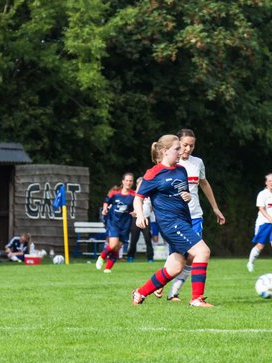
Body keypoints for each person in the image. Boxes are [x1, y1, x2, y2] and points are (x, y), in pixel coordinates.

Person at [131, 134, 213, 307]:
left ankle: (140, 293)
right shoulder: (153, 173)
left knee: (175, 267)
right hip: (171, 223)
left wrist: (188, 196)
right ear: (165, 151)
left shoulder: (181, 170)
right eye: (177, 148)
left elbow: (181, 193)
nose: (181, 151)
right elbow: (138, 197)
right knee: (202, 252)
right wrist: (140, 215)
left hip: (184, 220)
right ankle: (196, 299)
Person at [167, 128, 226, 300]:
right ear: (178, 143)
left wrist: (215, 207)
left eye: (191, 146)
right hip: (177, 217)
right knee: (177, 257)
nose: (188, 149)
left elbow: (204, 183)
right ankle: (160, 283)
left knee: (193, 256)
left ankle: (174, 292)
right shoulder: (171, 164)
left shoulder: (197, 163)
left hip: (195, 216)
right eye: (185, 145)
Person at [247, 173, 272, 273]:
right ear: (266, 182)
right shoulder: (262, 194)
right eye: (270, 181)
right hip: (263, 223)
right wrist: (270, 219)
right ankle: (250, 263)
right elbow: (261, 208)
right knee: (260, 245)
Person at [96, 173, 137, 273]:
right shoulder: (114, 193)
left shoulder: (133, 195)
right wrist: (105, 209)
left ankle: (107, 269)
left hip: (125, 224)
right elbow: (106, 201)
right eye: (126, 180)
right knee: (113, 244)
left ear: (132, 182)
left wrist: (135, 212)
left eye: (130, 181)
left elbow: (137, 206)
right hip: (113, 221)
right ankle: (101, 257)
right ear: (123, 181)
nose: (128, 182)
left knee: (117, 247)